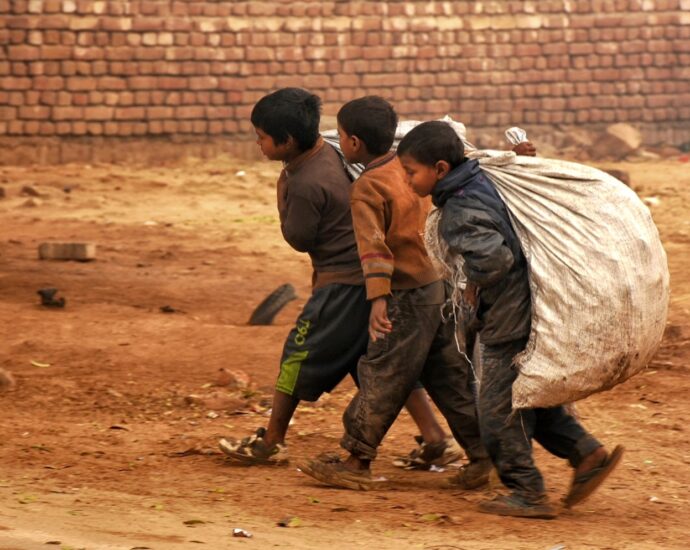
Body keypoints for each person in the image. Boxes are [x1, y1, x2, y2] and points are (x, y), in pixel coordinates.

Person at [218, 88, 461, 469]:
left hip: (343, 285)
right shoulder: (331, 151)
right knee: (376, 360)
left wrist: (283, 189)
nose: (258, 143)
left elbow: (299, 238)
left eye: (263, 137)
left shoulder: (303, 182)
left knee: (297, 354)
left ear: (287, 141)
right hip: (371, 280)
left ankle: (271, 441)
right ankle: (434, 438)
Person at [396, 120, 624, 519]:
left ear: (440, 169)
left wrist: (470, 282)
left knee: (497, 407)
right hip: (533, 307)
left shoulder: (460, 208)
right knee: (524, 394)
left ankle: (526, 491)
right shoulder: (482, 177)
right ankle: (587, 453)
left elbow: (494, 260)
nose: (407, 180)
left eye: (411, 172)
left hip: (508, 316)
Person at [298, 96, 492, 490]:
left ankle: (356, 461)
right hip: (437, 286)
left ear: (351, 143)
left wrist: (378, 300)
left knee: (383, 372)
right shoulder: (411, 170)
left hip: (406, 294)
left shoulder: (369, 186)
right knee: (449, 376)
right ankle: (484, 455)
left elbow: (374, 249)